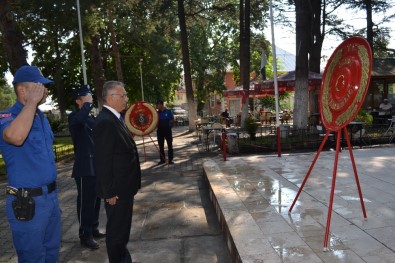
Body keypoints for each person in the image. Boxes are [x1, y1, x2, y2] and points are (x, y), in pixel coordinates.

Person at [0, 65, 61, 262]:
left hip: (50, 199)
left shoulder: (40, 117)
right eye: (39, 86)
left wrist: (33, 105)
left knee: (51, 253)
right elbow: (15, 137)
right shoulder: (7, 117)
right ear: (22, 90)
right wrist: (32, 103)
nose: (44, 90)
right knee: (33, 258)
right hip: (28, 204)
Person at [93, 81, 141, 263]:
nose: (126, 99)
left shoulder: (114, 118)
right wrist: (109, 191)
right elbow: (103, 161)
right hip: (117, 191)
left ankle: (123, 258)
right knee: (116, 232)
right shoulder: (106, 121)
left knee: (122, 230)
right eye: (123, 95)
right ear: (111, 97)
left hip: (124, 187)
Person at [68, 84, 105, 249]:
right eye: (86, 97)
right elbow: (80, 119)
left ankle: (94, 228)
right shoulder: (75, 117)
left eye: (90, 96)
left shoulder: (91, 118)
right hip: (84, 168)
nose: (90, 99)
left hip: (96, 165)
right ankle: (85, 235)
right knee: (86, 203)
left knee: (97, 200)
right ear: (78, 101)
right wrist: (88, 105)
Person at [156, 99, 174, 165]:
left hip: (167, 130)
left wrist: (170, 126)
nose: (157, 106)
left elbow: (172, 119)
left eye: (157, 104)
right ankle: (162, 160)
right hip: (160, 131)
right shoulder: (157, 113)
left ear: (161, 104)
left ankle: (170, 160)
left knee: (170, 145)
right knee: (161, 146)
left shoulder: (168, 111)